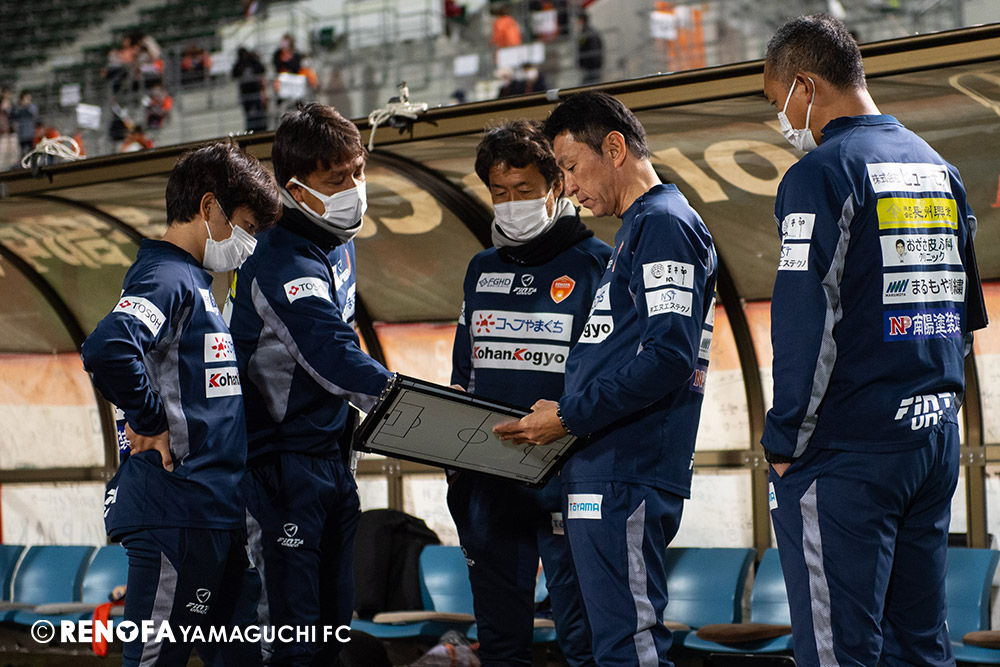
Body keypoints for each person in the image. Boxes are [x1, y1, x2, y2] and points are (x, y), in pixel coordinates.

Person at [760, 14, 986, 667]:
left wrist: (784, 442)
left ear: (805, 86)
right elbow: (962, 315)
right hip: (932, 440)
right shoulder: (938, 168)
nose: (783, 120)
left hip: (848, 453)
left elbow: (805, 321)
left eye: (778, 103)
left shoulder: (820, 173)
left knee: (840, 650)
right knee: (919, 644)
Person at [494, 91, 718, 666]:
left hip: (626, 472)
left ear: (614, 148)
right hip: (605, 468)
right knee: (611, 642)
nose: (567, 187)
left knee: (629, 644)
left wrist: (568, 415)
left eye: (570, 167)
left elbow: (669, 355)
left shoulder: (664, 223)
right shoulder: (640, 228)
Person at [81, 142, 281, 666]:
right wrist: (149, 418)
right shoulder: (167, 277)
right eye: (247, 227)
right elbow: (109, 347)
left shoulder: (194, 283)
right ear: (209, 207)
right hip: (177, 512)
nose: (249, 244)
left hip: (213, 515)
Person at [224, 103, 393, 665]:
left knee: (333, 627)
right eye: (336, 179)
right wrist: (408, 405)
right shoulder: (278, 255)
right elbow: (330, 352)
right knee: (289, 633)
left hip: (331, 459)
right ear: (297, 189)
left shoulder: (338, 240)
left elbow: (343, 337)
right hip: (276, 466)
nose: (354, 189)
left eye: (358, 171)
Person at [448, 120, 609, 667]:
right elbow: (464, 371)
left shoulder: (597, 263)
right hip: (489, 480)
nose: (511, 203)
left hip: (568, 477)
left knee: (584, 639)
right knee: (499, 643)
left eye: (524, 189)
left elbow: (609, 377)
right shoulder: (481, 269)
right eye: (500, 192)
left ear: (556, 185)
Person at [233, 48, 268, 133]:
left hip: (255, 91)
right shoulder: (240, 64)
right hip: (246, 93)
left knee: (259, 111)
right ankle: (251, 129)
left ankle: (261, 128)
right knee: (249, 114)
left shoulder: (253, 62)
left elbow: (261, 69)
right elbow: (234, 73)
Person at [576, 12, 603, 85]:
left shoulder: (589, 32)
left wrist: (594, 64)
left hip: (591, 66)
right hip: (588, 66)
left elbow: (594, 49)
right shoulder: (584, 31)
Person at [12, 91, 38, 160]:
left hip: (31, 134)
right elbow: (14, 114)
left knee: (32, 152)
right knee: (23, 154)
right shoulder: (18, 108)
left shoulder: (32, 106)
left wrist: (27, 106)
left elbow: (33, 112)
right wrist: (21, 106)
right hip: (22, 135)